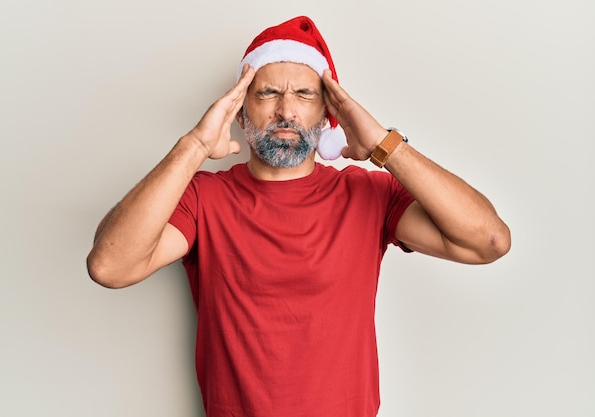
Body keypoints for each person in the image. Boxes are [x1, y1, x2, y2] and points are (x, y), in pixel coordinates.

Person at [87, 15, 510, 417]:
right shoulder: (203, 198)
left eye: (304, 94)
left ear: (328, 114)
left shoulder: (367, 195)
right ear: (239, 111)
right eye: (268, 93)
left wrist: (384, 144)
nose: (286, 111)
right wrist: (195, 144)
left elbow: (488, 242)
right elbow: (110, 265)